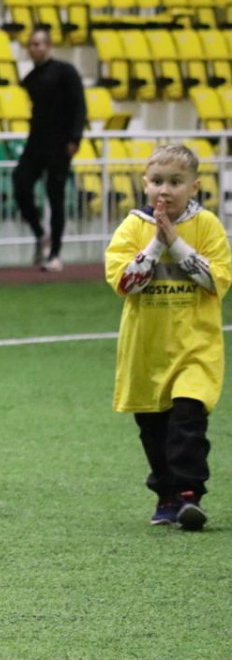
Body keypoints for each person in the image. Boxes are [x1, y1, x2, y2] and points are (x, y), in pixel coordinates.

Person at [104, 144, 230, 531]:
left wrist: (176, 241)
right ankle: (166, 494)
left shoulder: (207, 225)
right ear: (145, 184)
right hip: (147, 351)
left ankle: (190, 494)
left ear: (194, 186)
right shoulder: (131, 228)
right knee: (154, 431)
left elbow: (214, 279)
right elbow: (126, 282)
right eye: (158, 181)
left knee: (188, 420)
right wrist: (157, 242)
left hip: (195, 348)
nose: (165, 190)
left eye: (175, 182)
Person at [15, 26, 87, 272]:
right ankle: (40, 234)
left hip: (60, 144)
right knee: (20, 184)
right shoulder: (30, 78)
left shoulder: (66, 72)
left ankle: (55, 253)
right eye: (31, 45)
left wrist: (75, 139)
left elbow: (79, 106)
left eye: (39, 44)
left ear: (49, 46)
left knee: (55, 197)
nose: (34, 48)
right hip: (36, 143)